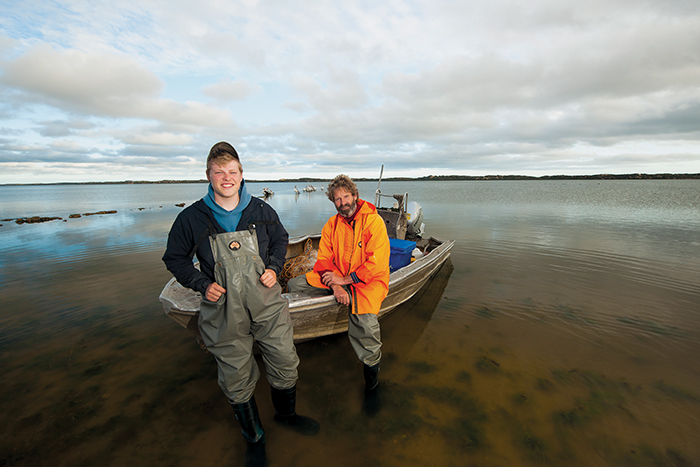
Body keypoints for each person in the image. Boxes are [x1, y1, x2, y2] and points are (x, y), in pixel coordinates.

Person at [162, 142, 319, 466]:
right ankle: (255, 438)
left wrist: (275, 268)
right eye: (219, 172)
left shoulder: (261, 211)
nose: (226, 177)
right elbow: (175, 258)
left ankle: (286, 416)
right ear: (208, 175)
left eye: (232, 171)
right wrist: (201, 284)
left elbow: (280, 240)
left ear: (241, 174)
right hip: (223, 308)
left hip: (265, 301)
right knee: (235, 375)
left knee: (285, 359)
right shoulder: (192, 218)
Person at [287, 174, 390, 414]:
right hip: (338, 280)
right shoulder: (331, 225)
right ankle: (325, 313)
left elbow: (376, 264)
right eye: (337, 199)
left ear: (355, 195)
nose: (343, 202)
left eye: (346, 196)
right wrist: (335, 286)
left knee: (365, 326)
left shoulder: (373, 222)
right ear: (332, 202)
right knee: (296, 285)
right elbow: (323, 260)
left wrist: (344, 281)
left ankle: (373, 386)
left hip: (367, 282)